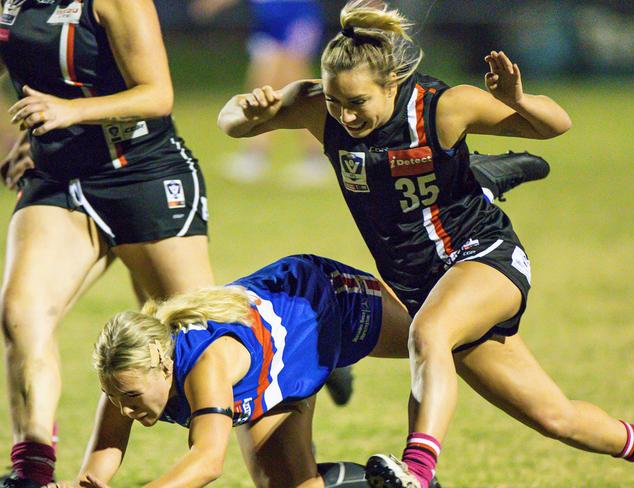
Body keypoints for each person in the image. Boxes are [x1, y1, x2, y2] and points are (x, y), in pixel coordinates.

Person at [217, 1, 634, 486]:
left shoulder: (441, 107)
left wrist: (518, 99)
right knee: (556, 418)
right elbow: (231, 122)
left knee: (429, 333)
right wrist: (248, 110)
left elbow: (556, 124)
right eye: (336, 102)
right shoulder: (321, 108)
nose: (345, 114)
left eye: (358, 102)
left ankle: (418, 473)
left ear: (393, 83)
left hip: (484, 257)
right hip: (425, 286)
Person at [0, 0, 215, 485]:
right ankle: (32, 470)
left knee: (200, 335)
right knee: (20, 312)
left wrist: (68, 111)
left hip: (140, 173)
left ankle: (294, 351)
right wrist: (30, 134)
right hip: (57, 177)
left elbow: (157, 93)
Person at [49, 254, 445, 488]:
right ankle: (320, 376)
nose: (125, 409)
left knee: (446, 340)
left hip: (325, 304)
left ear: (164, 364)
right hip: (278, 372)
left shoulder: (206, 366)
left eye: (131, 398)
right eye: (116, 398)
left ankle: (465, 184)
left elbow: (207, 460)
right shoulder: (126, 377)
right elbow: (102, 456)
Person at [190, 0, 331, 186]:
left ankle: (315, 158)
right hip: (269, 23)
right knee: (263, 86)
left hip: (295, 17)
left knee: (296, 87)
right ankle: (256, 155)